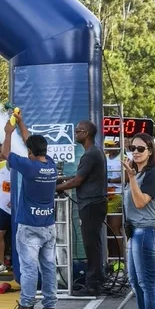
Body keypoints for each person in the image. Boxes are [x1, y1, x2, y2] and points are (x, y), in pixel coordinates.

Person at [2, 111, 59, 309]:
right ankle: (49, 306)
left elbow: (5, 153)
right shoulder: (50, 165)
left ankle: (26, 306)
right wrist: (22, 122)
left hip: (29, 226)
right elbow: (30, 143)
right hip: (48, 226)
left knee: (28, 267)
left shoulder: (29, 167)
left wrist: (8, 133)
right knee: (48, 265)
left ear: (30, 153)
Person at [56, 121, 108, 297]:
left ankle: (92, 284)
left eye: (77, 131)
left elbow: (77, 181)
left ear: (86, 133)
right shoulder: (94, 151)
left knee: (91, 245)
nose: (75, 133)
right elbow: (79, 176)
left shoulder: (91, 154)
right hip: (94, 203)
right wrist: (62, 179)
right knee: (94, 244)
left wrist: (55, 188)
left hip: (91, 204)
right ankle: (96, 280)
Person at [121, 133, 155, 309]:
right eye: (133, 149)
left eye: (140, 149)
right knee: (136, 282)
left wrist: (130, 178)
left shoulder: (152, 174)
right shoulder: (138, 174)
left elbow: (140, 203)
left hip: (147, 231)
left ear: (150, 151)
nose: (135, 153)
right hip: (136, 231)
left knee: (147, 283)